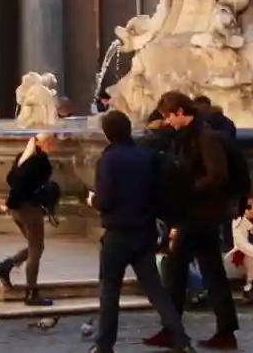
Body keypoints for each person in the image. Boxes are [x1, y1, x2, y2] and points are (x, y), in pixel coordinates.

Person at [88, 109, 191, 352]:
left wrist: (91, 200)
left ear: (107, 134)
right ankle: (180, 339)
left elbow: (104, 200)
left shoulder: (109, 159)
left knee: (110, 289)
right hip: (144, 230)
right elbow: (160, 191)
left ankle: (104, 344)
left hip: (117, 233)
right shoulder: (148, 156)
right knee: (156, 289)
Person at [155, 90, 239, 349]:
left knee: (177, 270)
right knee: (210, 272)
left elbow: (217, 174)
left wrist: (189, 189)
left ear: (181, 112)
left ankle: (173, 329)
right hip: (199, 214)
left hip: (199, 214)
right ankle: (225, 330)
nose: (168, 122)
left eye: (169, 116)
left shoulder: (205, 137)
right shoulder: (190, 136)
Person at [0, 129, 59, 307]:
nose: (55, 146)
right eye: (52, 142)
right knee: (36, 250)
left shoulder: (23, 157)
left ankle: (6, 266)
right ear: (43, 144)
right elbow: (19, 185)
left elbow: (11, 179)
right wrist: (10, 202)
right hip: (29, 209)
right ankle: (31, 293)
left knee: (34, 245)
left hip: (19, 209)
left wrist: (10, 204)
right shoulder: (39, 161)